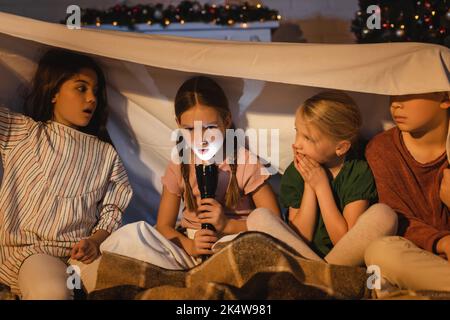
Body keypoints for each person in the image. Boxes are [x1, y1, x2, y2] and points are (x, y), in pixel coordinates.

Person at [98, 76, 281, 275]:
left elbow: (274, 224)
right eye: (189, 129)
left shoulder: (246, 162)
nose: (200, 139)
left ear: (226, 121)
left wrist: (228, 225)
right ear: (178, 124)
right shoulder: (180, 163)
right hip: (191, 245)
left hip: (236, 240)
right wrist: (191, 245)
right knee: (130, 235)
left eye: (210, 128)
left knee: (253, 255)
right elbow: (164, 226)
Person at [0, 49, 133, 299]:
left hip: (84, 255)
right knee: (53, 292)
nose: (92, 98)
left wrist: (94, 241)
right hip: (35, 253)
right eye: (81, 88)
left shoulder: (106, 154)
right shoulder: (23, 133)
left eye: (95, 91)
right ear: (53, 93)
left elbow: (113, 209)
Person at [247, 91, 397, 267]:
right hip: (304, 254)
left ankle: (317, 275)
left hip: (345, 261)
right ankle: (321, 274)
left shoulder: (357, 171)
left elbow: (344, 240)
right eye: (297, 132)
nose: (297, 143)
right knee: (258, 217)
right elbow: (302, 237)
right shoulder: (295, 172)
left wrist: (321, 187)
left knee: (384, 215)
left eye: (308, 138)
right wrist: (310, 185)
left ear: (341, 147)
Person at [365, 92, 450, 293]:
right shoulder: (383, 149)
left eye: (409, 95)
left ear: (445, 98)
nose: (395, 104)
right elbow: (398, 218)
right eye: (393, 94)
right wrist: (443, 242)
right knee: (379, 251)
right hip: (419, 258)